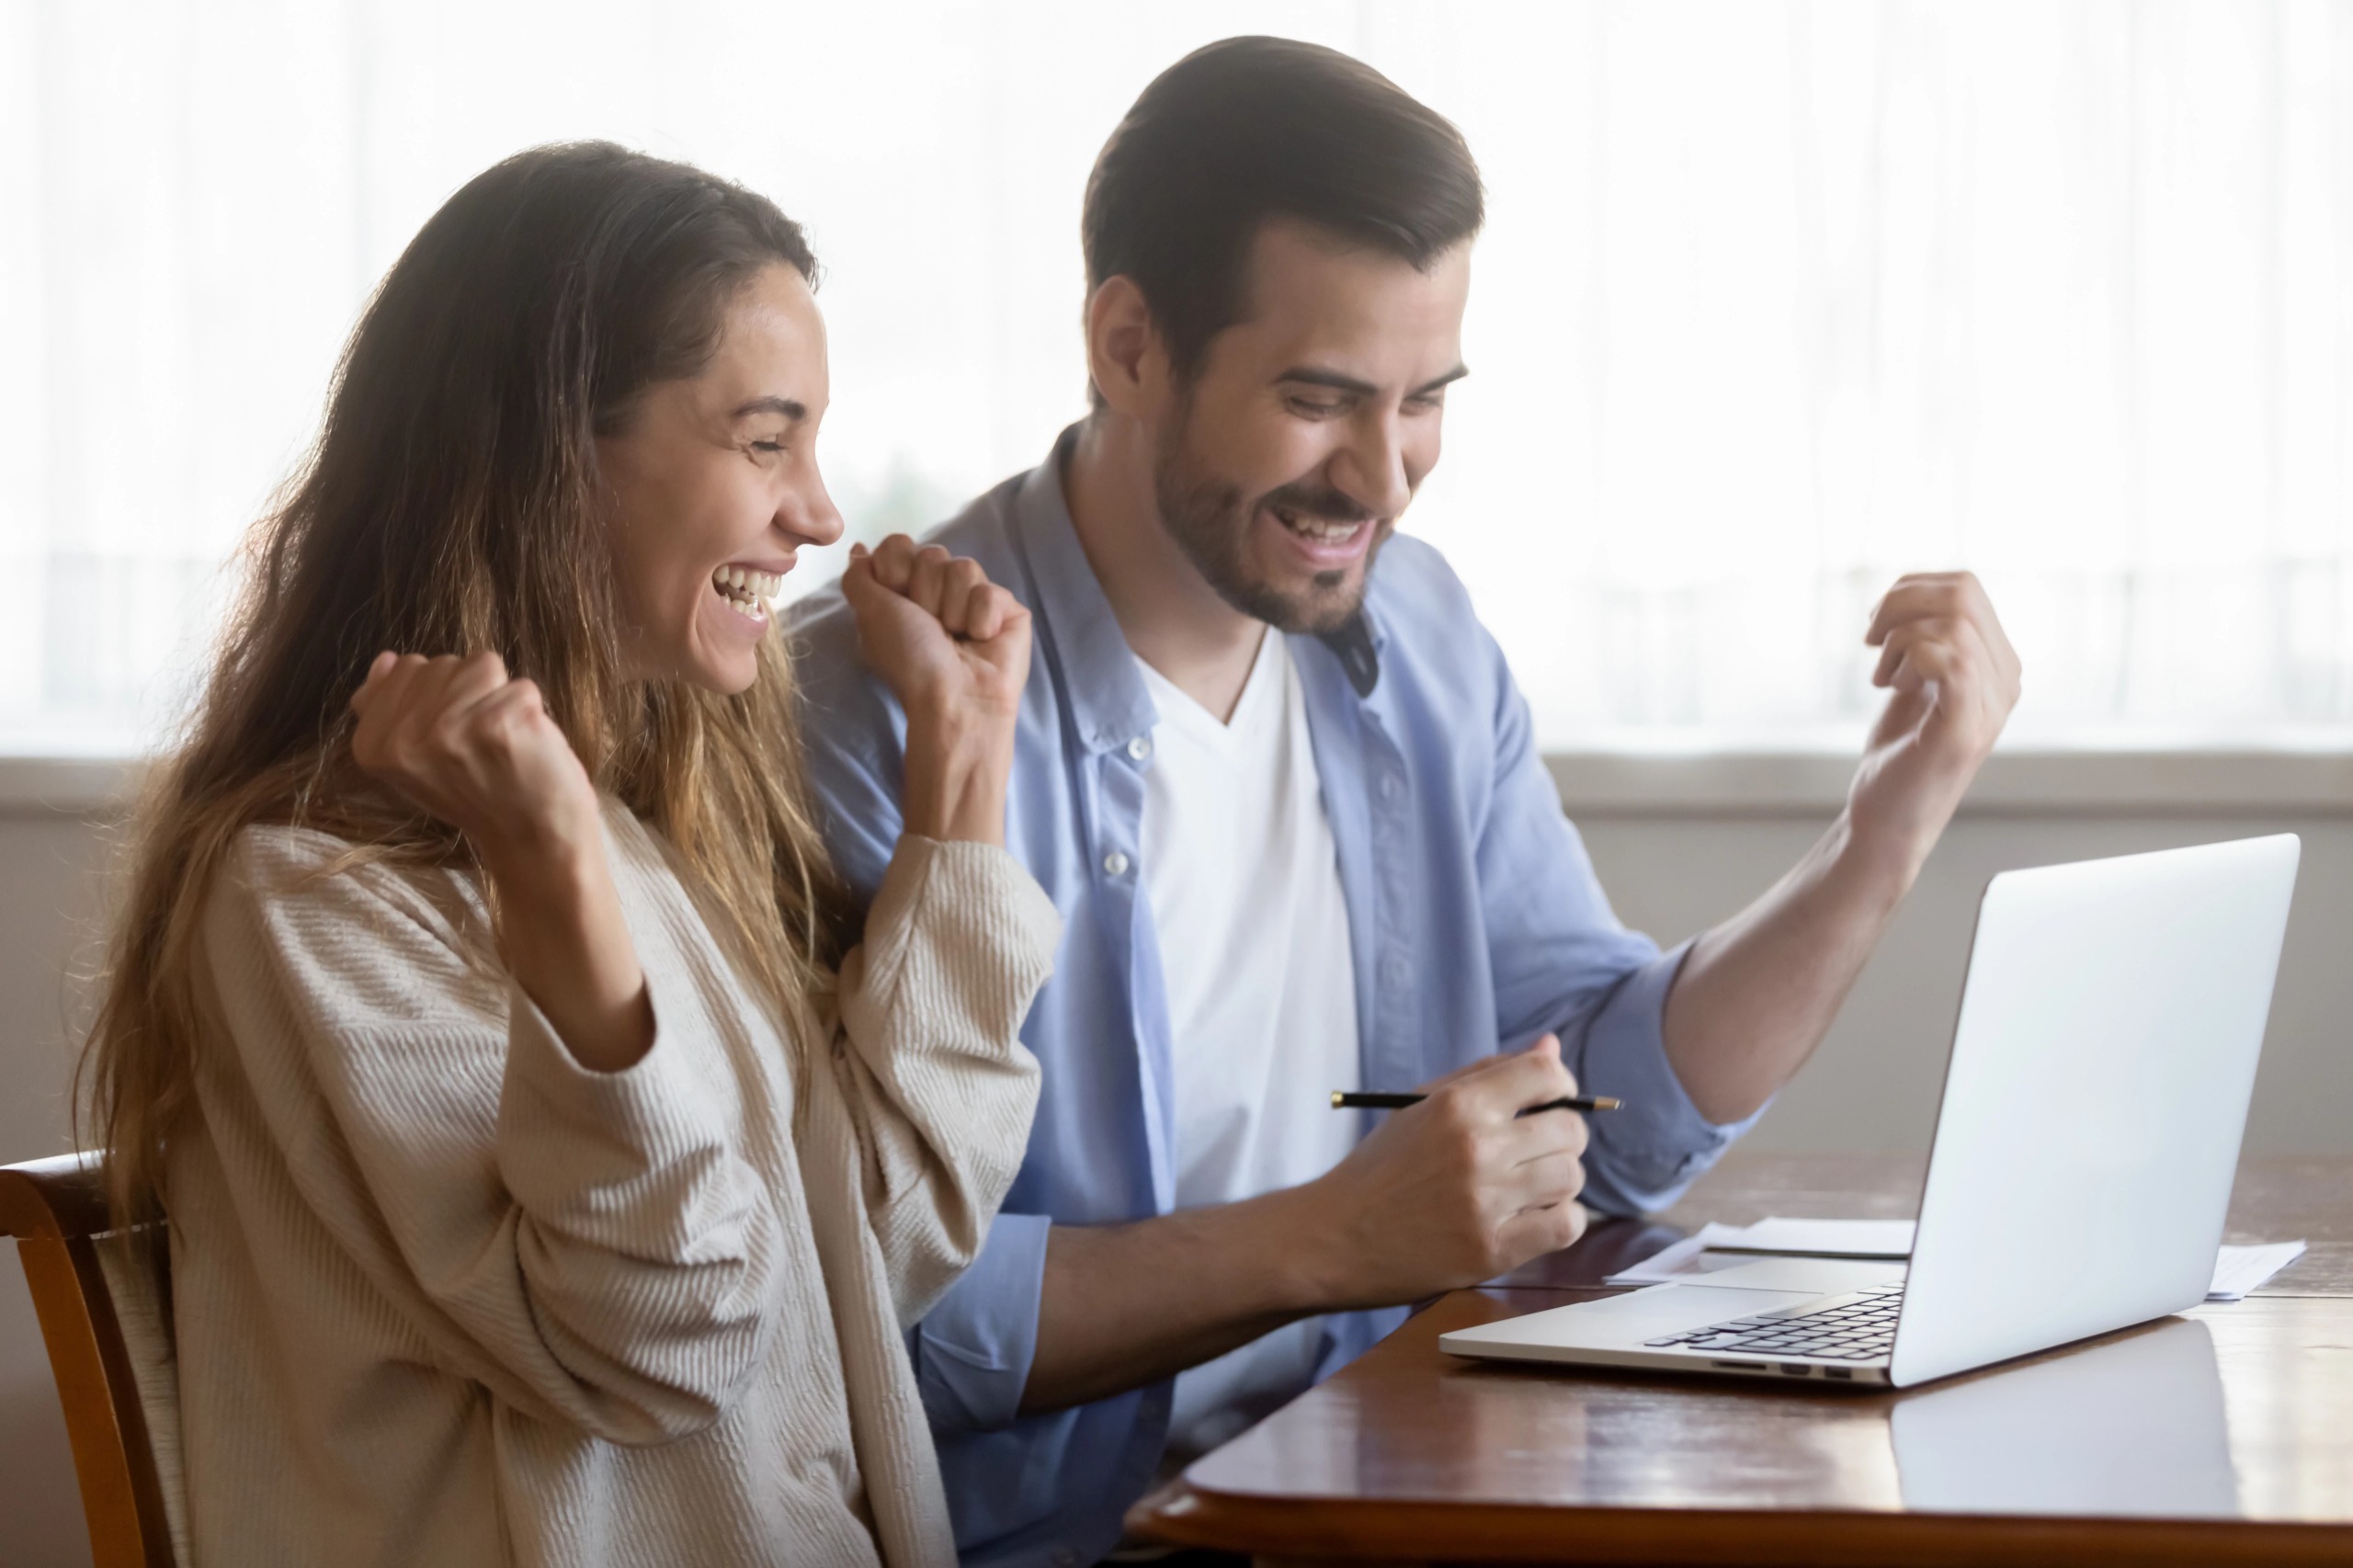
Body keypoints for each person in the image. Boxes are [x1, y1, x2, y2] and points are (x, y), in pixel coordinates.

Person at [788, 37, 2021, 1567]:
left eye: (1423, 400)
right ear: (1126, 343)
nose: (1383, 477)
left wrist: (1885, 830)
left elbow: (1605, 1124)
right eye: (1318, 400)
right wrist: (1334, 1238)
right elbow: (869, 1324)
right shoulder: (865, 713)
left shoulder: (1418, 635)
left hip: (1383, 1475)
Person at [76, 142, 1056, 1568]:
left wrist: (960, 776)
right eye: (765, 440)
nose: (821, 514)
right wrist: (552, 888)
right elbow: (655, 1350)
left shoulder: (642, 840)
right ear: (550, 453)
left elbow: (871, 1257)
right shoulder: (309, 893)